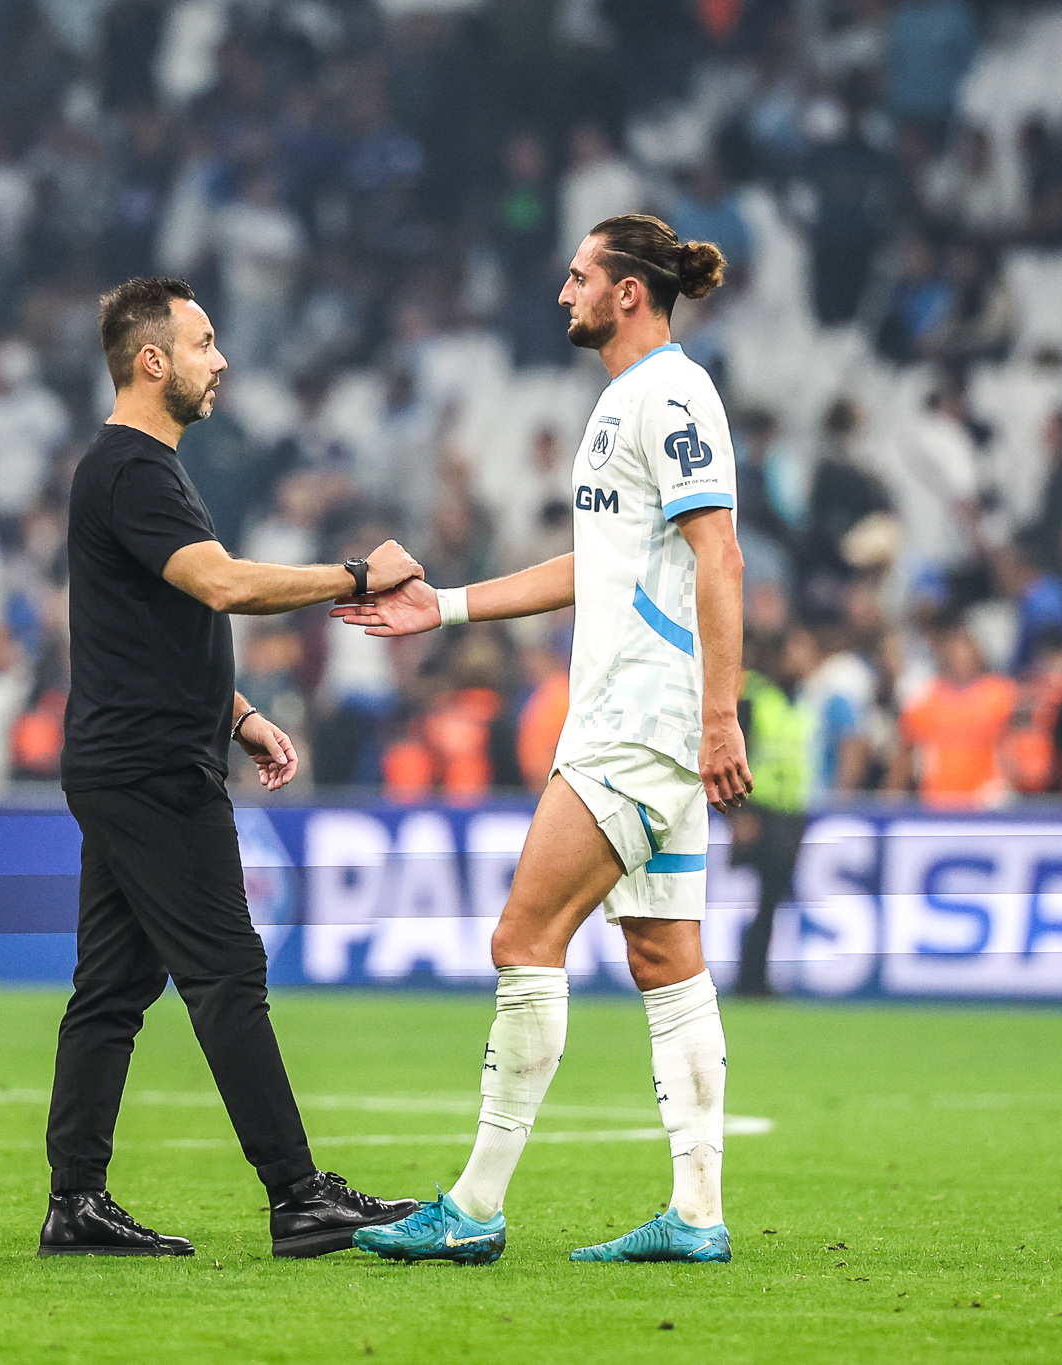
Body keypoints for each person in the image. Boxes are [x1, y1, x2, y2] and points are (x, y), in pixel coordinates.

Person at [335, 214, 750, 1265]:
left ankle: (472, 1208)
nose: (561, 293)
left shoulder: (668, 392)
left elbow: (721, 555)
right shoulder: (621, 403)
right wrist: (449, 608)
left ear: (625, 293)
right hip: (642, 717)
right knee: (664, 956)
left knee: (523, 939)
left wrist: (716, 712)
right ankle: (696, 1213)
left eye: (577, 278)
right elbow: (595, 563)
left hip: (637, 717)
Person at [42, 276, 419, 1259]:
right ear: (152, 359)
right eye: (204, 343)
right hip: (150, 767)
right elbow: (216, 584)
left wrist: (238, 711)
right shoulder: (131, 468)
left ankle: (75, 1202)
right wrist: (352, 575)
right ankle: (297, 1196)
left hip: (133, 753)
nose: (221, 362)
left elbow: (146, 627)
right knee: (226, 974)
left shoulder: (133, 470)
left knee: (111, 990)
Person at [730, 633, 816, 998]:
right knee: (754, 899)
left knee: (770, 901)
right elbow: (739, 752)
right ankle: (748, 978)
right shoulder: (755, 696)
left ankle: (756, 977)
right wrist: (740, 813)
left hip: (790, 812)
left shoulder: (798, 700)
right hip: (760, 811)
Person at [890, 624, 1017, 807]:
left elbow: (1013, 748)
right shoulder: (926, 700)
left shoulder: (1000, 694)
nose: (961, 658)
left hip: (985, 802)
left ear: (977, 654)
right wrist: (892, 803)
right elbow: (905, 755)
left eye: (967, 650)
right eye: (955, 651)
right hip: (939, 802)